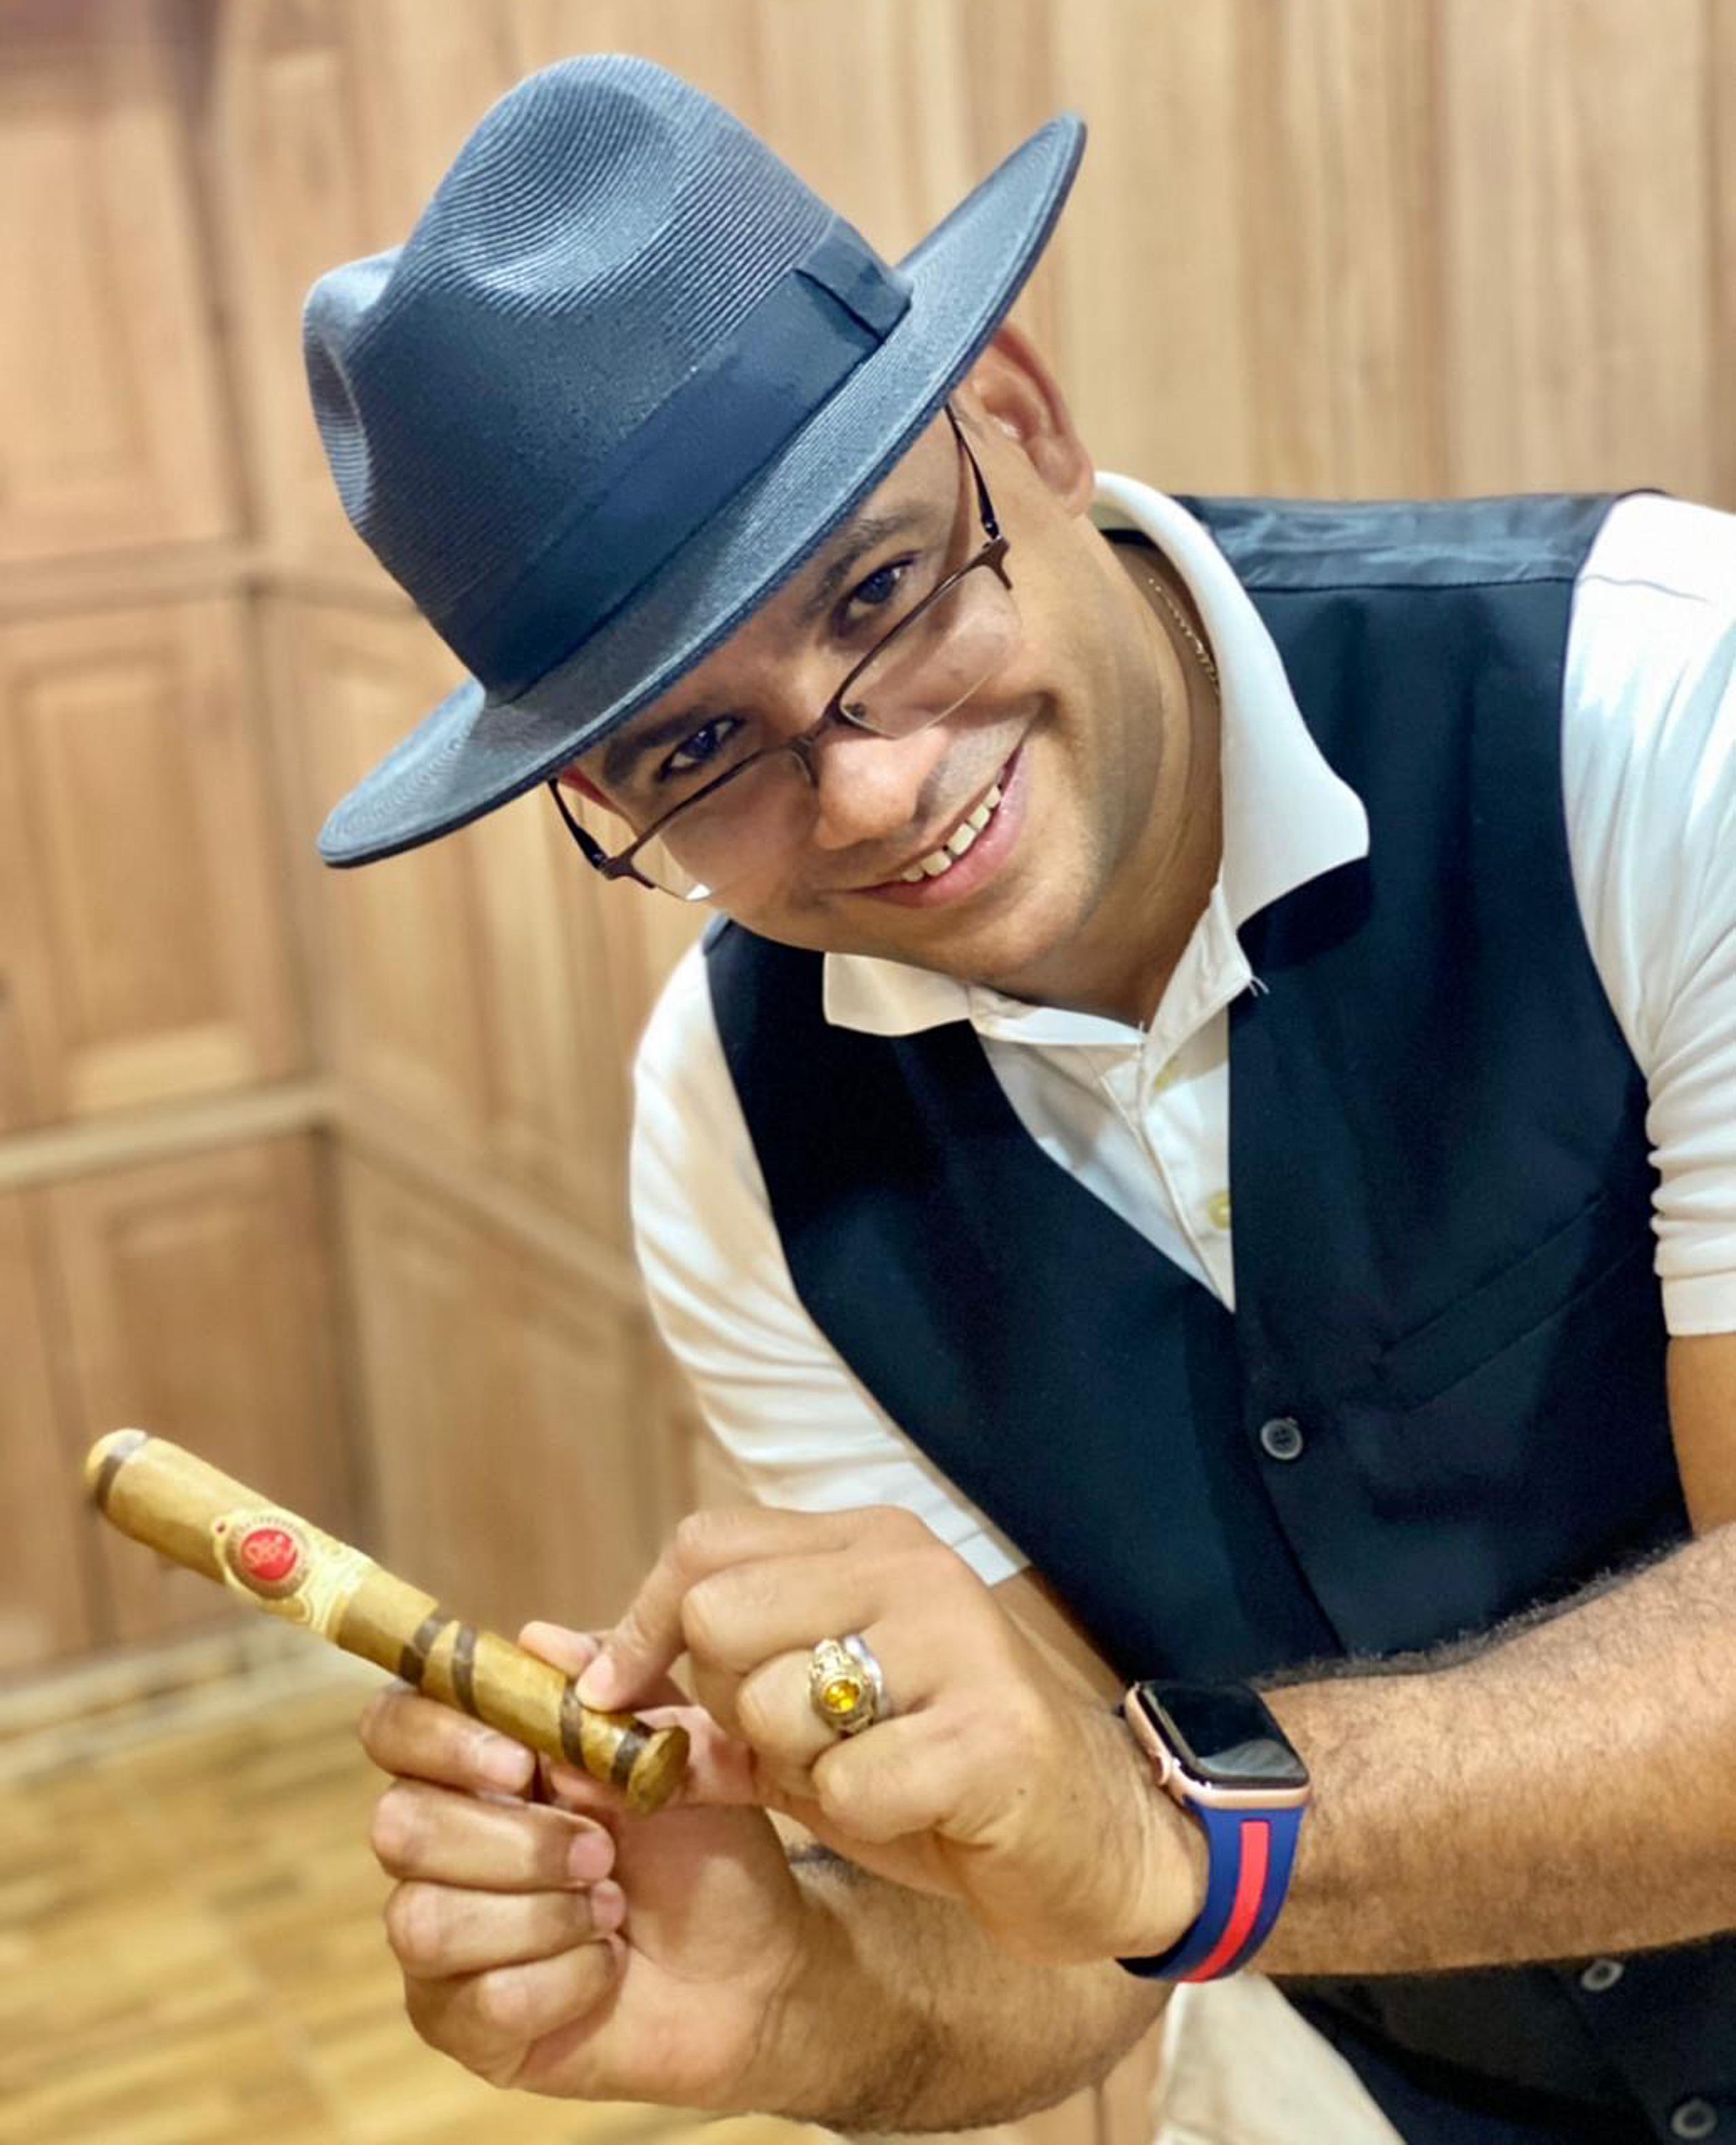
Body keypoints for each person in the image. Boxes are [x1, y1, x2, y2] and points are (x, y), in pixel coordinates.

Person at [303, 53, 1736, 2145]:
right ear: (601, 801)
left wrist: (1177, 1836)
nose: (872, 790)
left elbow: (1130, 1846)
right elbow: (1050, 1913)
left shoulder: (1657, 709)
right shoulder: (730, 1128)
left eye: (879, 592)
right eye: (698, 753)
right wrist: (803, 2008)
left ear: (1024, 418)